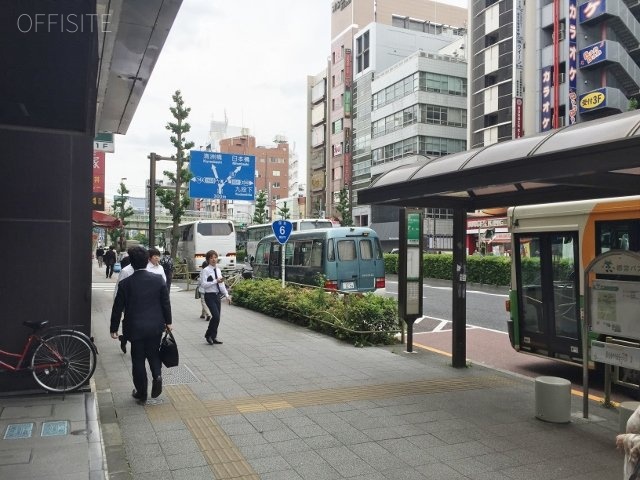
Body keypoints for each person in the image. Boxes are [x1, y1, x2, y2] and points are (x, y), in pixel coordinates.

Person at [110, 246, 172, 405]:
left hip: (135, 327)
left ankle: (141, 392)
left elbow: (117, 307)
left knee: (137, 359)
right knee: (153, 353)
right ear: (147, 261)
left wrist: (113, 328)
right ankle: (157, 376)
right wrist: (168, 322)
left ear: (131, 262)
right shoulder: (158, 280)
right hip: (155, 325)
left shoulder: (125, 283)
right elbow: (165, 303)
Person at [113, 247, 167, 354]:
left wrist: (167, 321)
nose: (157, 258)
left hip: (150, 310)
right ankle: (125, 339)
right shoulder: (126, 271)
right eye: (154, 256)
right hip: (132, 307)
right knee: (132, 330)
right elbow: (118, 292)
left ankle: (130, 340)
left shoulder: (153, 270)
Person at [200, 250, 231, 345]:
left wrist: (227, 295)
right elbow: (204, 285)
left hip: (217, 296)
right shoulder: (205, 271)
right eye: (211, 258)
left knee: (218, 318)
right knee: (216, 316)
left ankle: (214, 336)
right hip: (209, 296)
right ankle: (208, 335)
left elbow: (221, 284)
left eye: (215, 257)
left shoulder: (218, 270)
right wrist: (215, 281)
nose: (214, 259)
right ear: (208, 260)